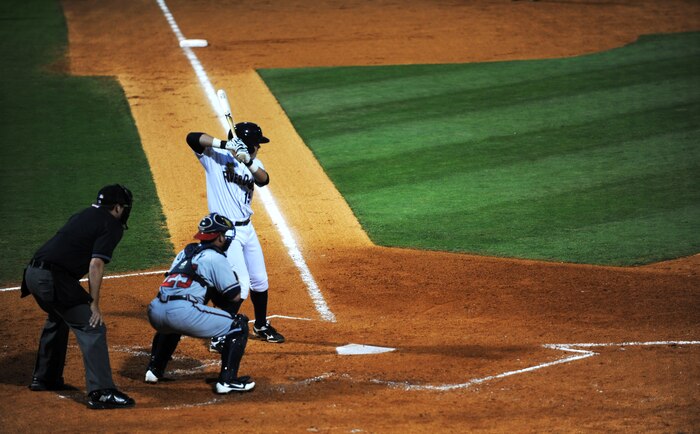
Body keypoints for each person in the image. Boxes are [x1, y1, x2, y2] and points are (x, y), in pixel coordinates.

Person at [20, 184, 135, 410]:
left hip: (32, 275)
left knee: (59, 316)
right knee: (92, 325)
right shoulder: (111, 224)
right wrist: (94, 303)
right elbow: (96, 263)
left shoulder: (85, 213)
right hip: (52, 279)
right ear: (118, 207)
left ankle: (45, 378)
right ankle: (101, 391)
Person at [185, 122, 285, 346]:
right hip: (227, 233)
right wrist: (225, 145)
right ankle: (218, 335)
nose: (259, 148)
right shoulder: (215, 157)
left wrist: (247, 160)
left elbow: (264, 179)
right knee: (240, 286)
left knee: (260, 280)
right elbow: (192, 137)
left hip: (247, 229)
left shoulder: (251, 161)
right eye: (257, 145)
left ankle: (260, 326)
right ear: (251, 145)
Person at [144, 212, 254, 394]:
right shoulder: (215, 257)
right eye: (224, 235)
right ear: (218, 237)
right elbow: (234, 295)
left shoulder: (184, 253)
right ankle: (227, 381)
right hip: (181, 312)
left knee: (172, 325)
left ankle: (154, 370)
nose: (226, 239)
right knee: (238, 325)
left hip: (155, 310)